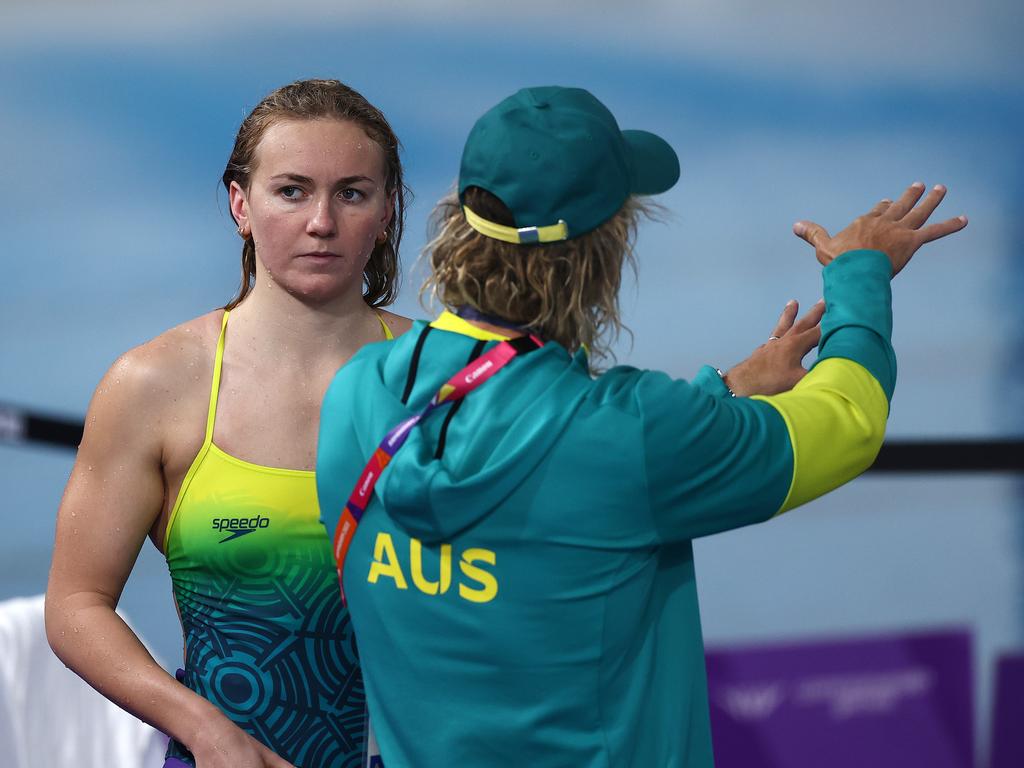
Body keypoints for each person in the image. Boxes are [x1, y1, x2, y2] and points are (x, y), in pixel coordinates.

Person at [315, 85, 968, 766]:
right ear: (603, 249)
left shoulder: (357, 393)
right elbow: (848, 420)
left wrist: (725, 393)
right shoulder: (635, 437)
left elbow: (565, 475)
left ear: (460, 222)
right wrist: (860, 275)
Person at [45, 79, 411, 768]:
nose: (322, 222)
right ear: (241, 204)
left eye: (353, 193)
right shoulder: (153, 385)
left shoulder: (448, 380)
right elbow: (77, 604)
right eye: (292, 190)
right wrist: (206, 730)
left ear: (387, 210)